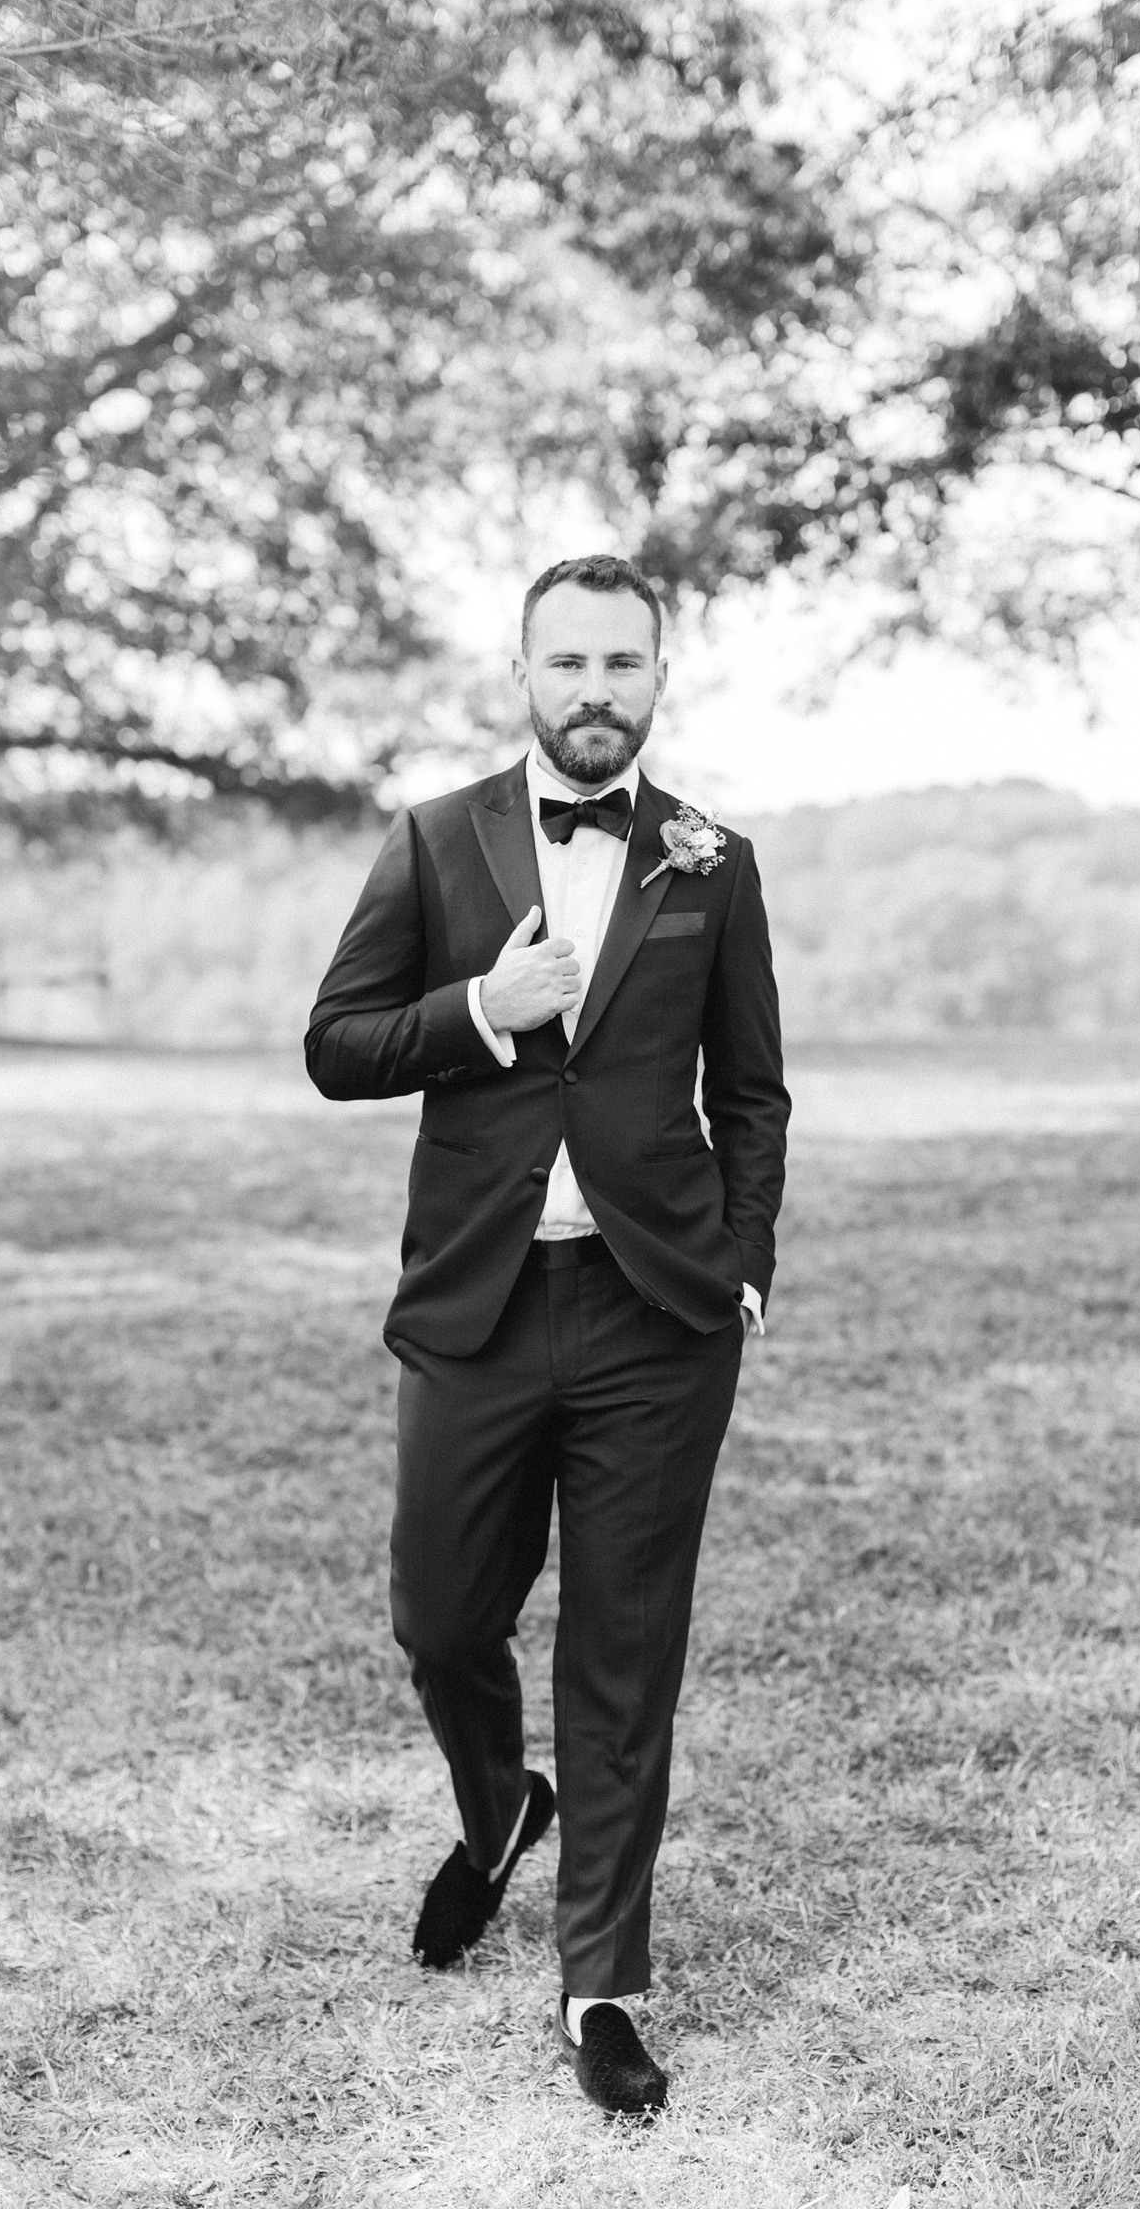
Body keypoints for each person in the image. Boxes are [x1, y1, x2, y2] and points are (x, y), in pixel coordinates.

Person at [305, 553, 789, 2117]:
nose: (596, 689)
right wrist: (485, 1007)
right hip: (481, 1306)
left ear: (660, 679)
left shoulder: (715, 861)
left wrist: (747, 1261)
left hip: (659, 1314)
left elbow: (754, 1088)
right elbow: (337, 1045)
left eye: (624, 665)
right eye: (568, 661)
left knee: (624, 1654)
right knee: (444, 1619)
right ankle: (498, 1800)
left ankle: (602, 1987)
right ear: (523, 673)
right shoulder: (437, 840)